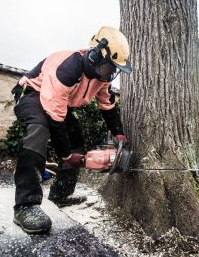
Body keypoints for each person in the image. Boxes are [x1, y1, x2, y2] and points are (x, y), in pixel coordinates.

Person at [11, 26, 131, 234]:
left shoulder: (100, 78)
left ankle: (61, 194)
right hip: (33, 94)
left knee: (76, 139)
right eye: (108, 68)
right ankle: (26, 206)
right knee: (38, 130)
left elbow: (108, 105)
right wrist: (66, 155)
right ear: (95, 56)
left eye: (114, 70)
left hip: (56, 103)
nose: (110, 74)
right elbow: (55, 120)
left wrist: (118, 132)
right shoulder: (66, 68)